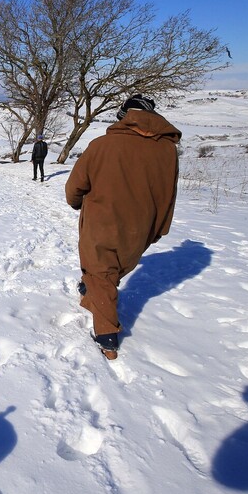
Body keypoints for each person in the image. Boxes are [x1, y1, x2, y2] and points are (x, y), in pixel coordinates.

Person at [65, 94, 181, 360]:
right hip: (142, 226)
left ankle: (107, 336)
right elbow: (168, 193)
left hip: (103, 220)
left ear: (124, 116)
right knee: (111, 268)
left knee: (102, 270)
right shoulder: (167, 151)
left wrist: (75, 203)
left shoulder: (103, 145)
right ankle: (89, 290)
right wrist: (160, 226)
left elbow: (75, 186)